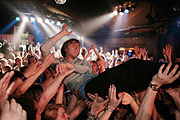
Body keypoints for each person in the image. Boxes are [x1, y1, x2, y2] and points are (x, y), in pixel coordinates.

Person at [41, 24, 180, 100]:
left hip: (97, 83)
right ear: (65, 48)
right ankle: (174, 72)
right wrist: (63, 34)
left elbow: (87, 69)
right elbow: (44, 48)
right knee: (132, 66)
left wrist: (69, 65)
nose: (77, 47)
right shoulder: (56, 63)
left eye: (79, 46)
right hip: (86, 89)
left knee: (134, 80)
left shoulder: (81, 62)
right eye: (73, 44)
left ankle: (173, 75)